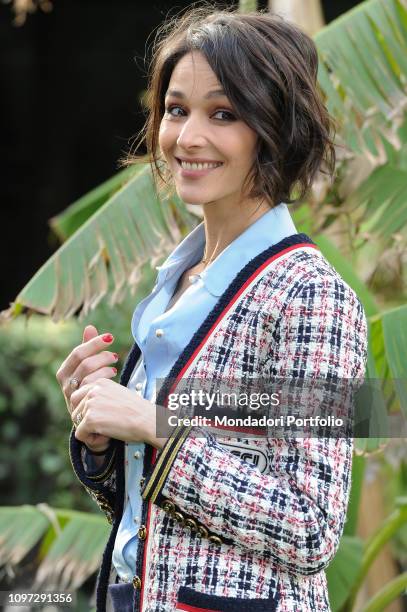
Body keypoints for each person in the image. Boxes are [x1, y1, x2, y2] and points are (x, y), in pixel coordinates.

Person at [57, 5, 368, 611]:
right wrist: (99, 441)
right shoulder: (176, 283)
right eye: (176, 110)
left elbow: (311, 527)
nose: (186, 138)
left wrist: (152, 423)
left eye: (223, 114)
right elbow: (152, 512)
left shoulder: (311, 295)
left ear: (276, 129)